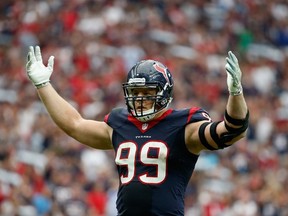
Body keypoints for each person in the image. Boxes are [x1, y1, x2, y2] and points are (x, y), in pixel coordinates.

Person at [25, 46, 249, 216]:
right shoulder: (121, 124)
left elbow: (232, 130)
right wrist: (44, 86)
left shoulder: (183, 125)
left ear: (165, 93)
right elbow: (74, 125)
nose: (139, 98)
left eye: (146, 91)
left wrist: (236, 93)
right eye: (135, 92)